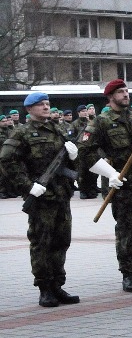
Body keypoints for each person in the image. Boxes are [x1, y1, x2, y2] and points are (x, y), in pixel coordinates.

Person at [78, 79, 132, 293]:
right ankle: (128, 274)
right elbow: (85, 153)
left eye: (126, 91)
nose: (126, 94)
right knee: (126, 230)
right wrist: (110, 174)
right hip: (122, 184)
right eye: (120, 92)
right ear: (110, 97)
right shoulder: (101, 121)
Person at [0, 92, 80, 307]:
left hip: (62, 195)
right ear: (29, 109)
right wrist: (27, 186)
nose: (46, 107)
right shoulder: (22, 133)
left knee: (62, 241)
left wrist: (74, 157)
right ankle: (45, 288)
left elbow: (71, 165)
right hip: (41, 197)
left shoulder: (59, 129)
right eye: (40, 104)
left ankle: (57, 284)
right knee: (41, 243)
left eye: (47, 104)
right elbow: (7, 160)